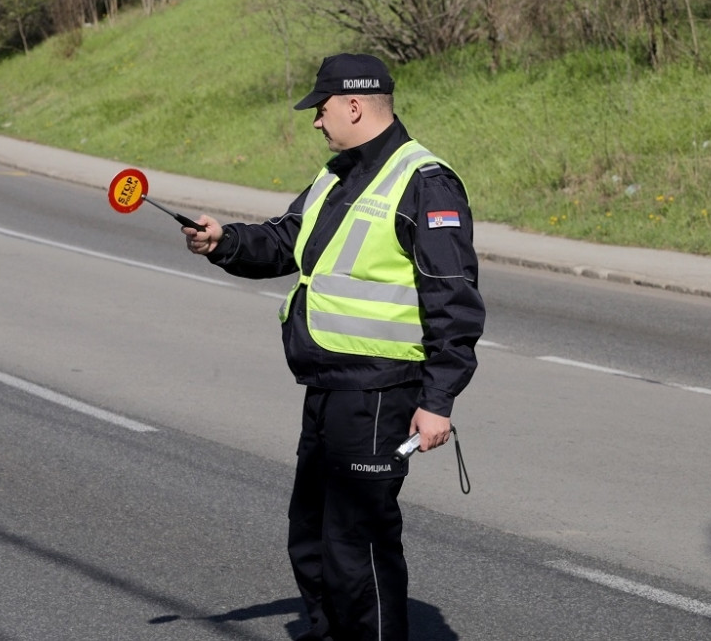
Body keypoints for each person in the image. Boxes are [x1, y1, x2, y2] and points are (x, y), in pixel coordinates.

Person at [183, 53, 485, 641]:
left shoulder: (424, 182)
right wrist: (224, 242)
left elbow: (454, 301)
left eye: (320, 110)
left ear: (353, 105)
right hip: (328, 389)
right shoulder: (338, 174)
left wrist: (438, 401)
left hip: (380, 393)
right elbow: (285, 240)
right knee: (312, 536)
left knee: (358, 545)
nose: (316, 122)